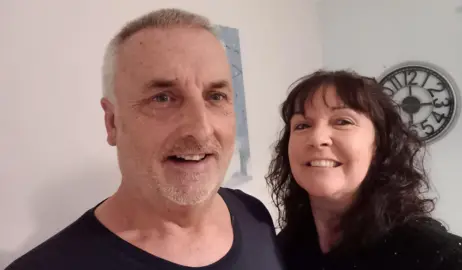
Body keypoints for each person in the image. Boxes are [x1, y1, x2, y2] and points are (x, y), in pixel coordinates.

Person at [7, 8, 285, 270]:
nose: (201, 129)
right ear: (112, 122)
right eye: (162, 98)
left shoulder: (254, 216)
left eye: (216, 96)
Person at [266, 69, 462, 270]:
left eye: (342, 121)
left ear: (379, 145)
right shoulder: (279, 249)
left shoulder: (437, 257)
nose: (317, 138)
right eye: (302, 125)